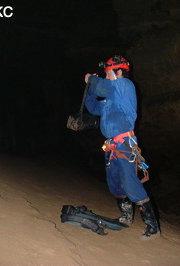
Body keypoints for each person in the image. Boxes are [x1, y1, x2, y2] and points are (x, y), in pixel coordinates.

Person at [84, 55, 160, 239]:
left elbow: (105, 86)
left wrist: (91, 79)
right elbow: (93, 106)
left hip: (125, 144)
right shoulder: (111, 100)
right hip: (111, 146)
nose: (107, 76)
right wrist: (90, 89)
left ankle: (152, 226)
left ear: (118, 71)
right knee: (115, 184)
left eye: (108, 72)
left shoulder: (125, 85)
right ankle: (126, 217)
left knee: (130, 182)